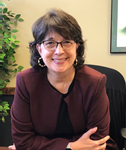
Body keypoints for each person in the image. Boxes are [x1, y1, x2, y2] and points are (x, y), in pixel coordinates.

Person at [9, 8, 119, 150]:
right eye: (50, 43)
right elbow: (23, 142)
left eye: (66, 42)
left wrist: (39, 144)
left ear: (77, 47)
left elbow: (96, 141)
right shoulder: (25, 82)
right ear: (39, 49)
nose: (59, 51)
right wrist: (71, 146)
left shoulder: (95, 82)